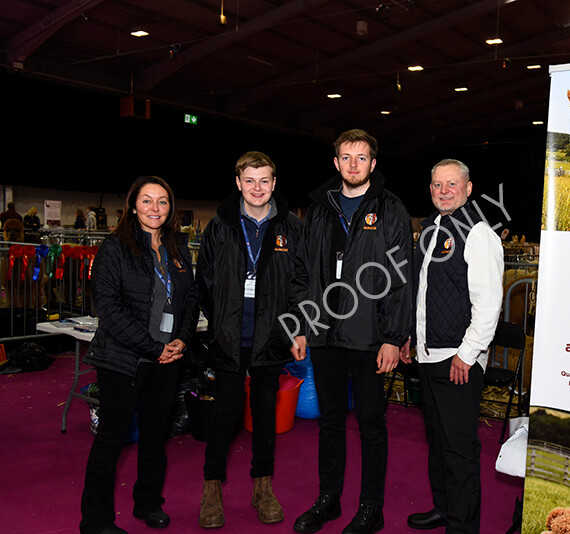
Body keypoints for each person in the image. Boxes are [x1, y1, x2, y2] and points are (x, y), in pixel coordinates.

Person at [289, 129, 413, 534]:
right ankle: (329, 499)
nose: (353, 164)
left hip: (370, 340)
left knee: (372, 426)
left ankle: (371, 507)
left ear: (373, 164)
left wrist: (394, 337)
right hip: (324, 336)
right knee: (329, 422)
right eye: (346, 157)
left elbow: (399, 278)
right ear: (336, 162)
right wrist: (305, 326)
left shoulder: (390, 209)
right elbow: (304, 272)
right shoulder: (319, 209)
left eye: (361, 158)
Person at [79, 176, 199, 534]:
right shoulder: (115, 247)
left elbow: (190, 298)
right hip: (123, 360)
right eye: (147, 201)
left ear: (170, 208)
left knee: (154, 435)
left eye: (162, 202)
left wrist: (182, 339)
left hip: (166, 360)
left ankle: (148, 503)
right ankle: (96, 520)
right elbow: (109, 308)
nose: (154, 209)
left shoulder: (177, 247)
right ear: (133, 205)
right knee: (111, 440)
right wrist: (153, 347)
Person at [195, 151, 305, 528]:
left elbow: (300, 285)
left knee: (264, 414)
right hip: (228, 338)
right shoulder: (219, 226)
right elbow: (204, 281)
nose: (257, 188)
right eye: (250, 180)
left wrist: (297, 329)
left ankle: (263, 486)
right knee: (223, 415)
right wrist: (220, 321)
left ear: (274, 184)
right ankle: (212, 488)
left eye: (264, 181)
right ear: (238, 182)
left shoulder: (292, 227)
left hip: (271, 339)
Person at [403, 159, 503, 534]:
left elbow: (489, 302)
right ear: (430, 189)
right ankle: (444, 508)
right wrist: (413, 336)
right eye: (437, 185)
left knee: (459, 449)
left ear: (468, 187)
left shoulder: (479, 233)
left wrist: (468, 353)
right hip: (430, 354)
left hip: (457, 358)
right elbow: (425, 291)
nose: (444, 191)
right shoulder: (432, 227)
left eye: (452, 184)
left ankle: (463, 527)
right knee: (438, 441)